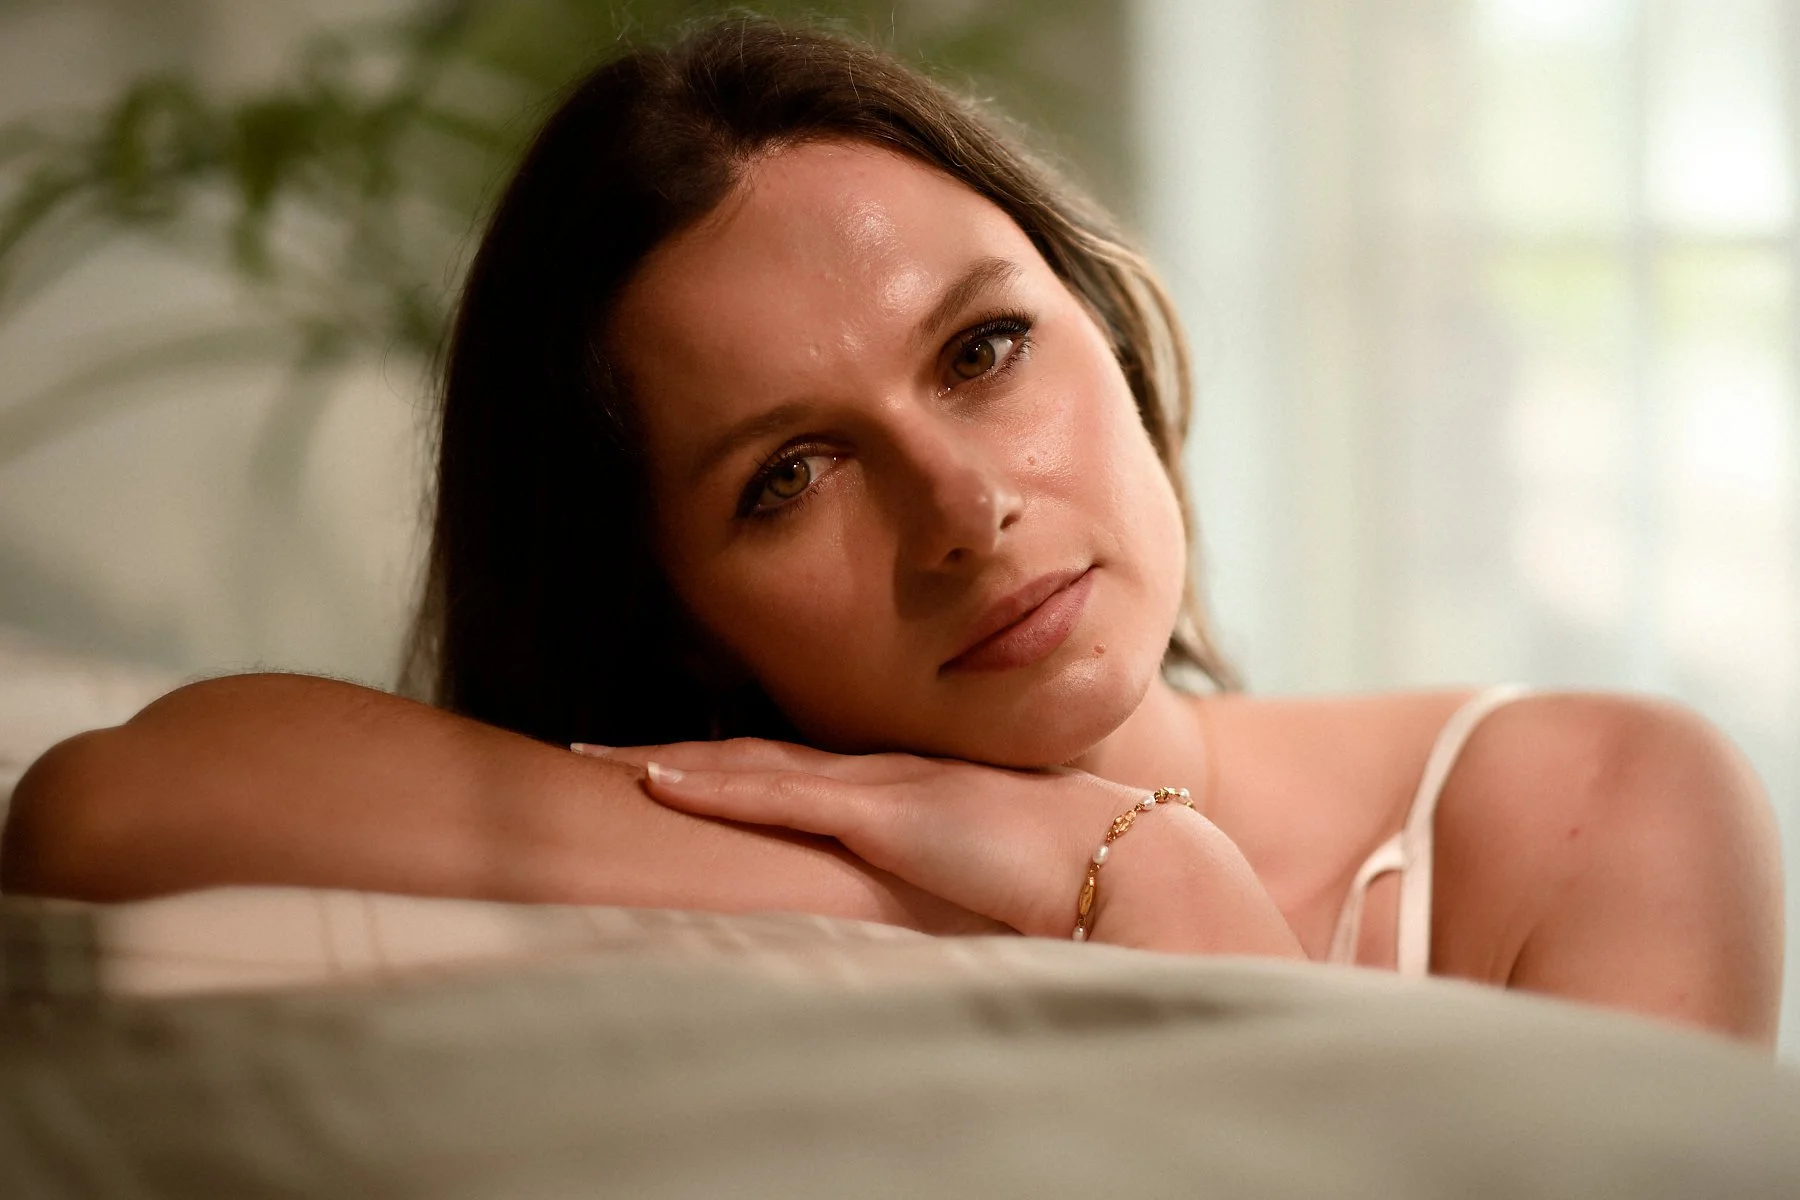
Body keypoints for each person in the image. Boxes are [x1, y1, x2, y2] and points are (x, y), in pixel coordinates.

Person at [0, 18, 1782, 1046]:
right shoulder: (735, 898)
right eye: (789, 474)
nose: (965, 506)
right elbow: (105, 804)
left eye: (986, 349)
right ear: (678, 609)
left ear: (1110, 319)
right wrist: (948, 868)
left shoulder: (1585, 808)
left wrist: (1159, 896)